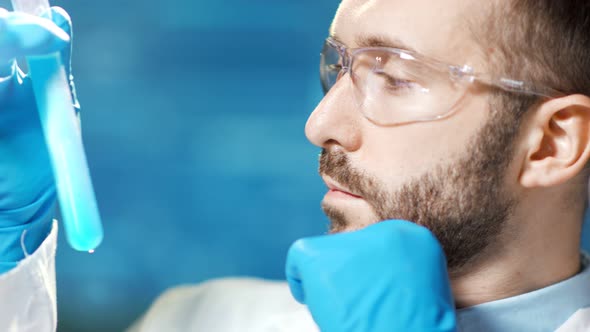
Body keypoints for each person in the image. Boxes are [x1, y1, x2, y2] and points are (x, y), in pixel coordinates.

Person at [2, 0, 590, 331]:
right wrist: (10, 257)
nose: (319, 125)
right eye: (341, 66)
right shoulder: (206, 319)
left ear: (551, 143)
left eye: (393, 77)